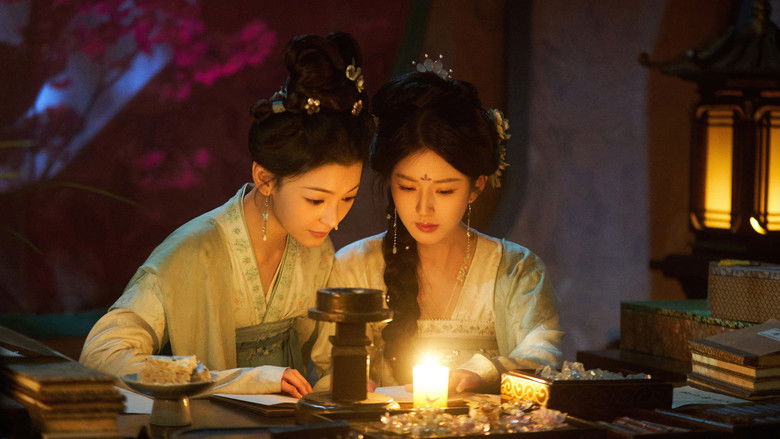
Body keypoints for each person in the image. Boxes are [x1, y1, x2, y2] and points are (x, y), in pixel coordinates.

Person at [80, 32, 374, 397]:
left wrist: (344, 384)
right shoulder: (192, 252)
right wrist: (237, 381)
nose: (333, 219)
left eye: (348, 198)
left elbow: (330, 362)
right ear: (265, 178)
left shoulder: (317, 250)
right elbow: (101, 356)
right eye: (316, 201)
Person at [313, 63, 562, 394]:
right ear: (389, 182)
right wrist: (346, 382)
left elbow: (542, 352)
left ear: (476, 187)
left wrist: (483, 371)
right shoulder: (354, 267)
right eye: (407, 187)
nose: (423, 209)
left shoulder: (515, 270)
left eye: (444, 191)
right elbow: (325, 368)